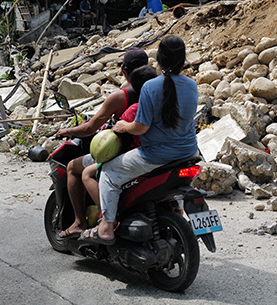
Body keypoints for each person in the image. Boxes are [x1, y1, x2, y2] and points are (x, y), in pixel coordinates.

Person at [80, 35, 198, 244]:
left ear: (159, 59)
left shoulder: (151, 87)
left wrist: (124, 126)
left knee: (107, 173)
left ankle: (106, 226)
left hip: (156, 156)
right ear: (183, 59)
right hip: (189, 153)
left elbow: (140, 128)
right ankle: (176, 215)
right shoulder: (191, 85)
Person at [55, 48, 149, 239]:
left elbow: (89, 128)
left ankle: (81, 223)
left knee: (74, 167)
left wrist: (67, 131)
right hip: (155, 149)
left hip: (126, 153)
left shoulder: (121, 97)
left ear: (123, 69)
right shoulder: (156, 91)